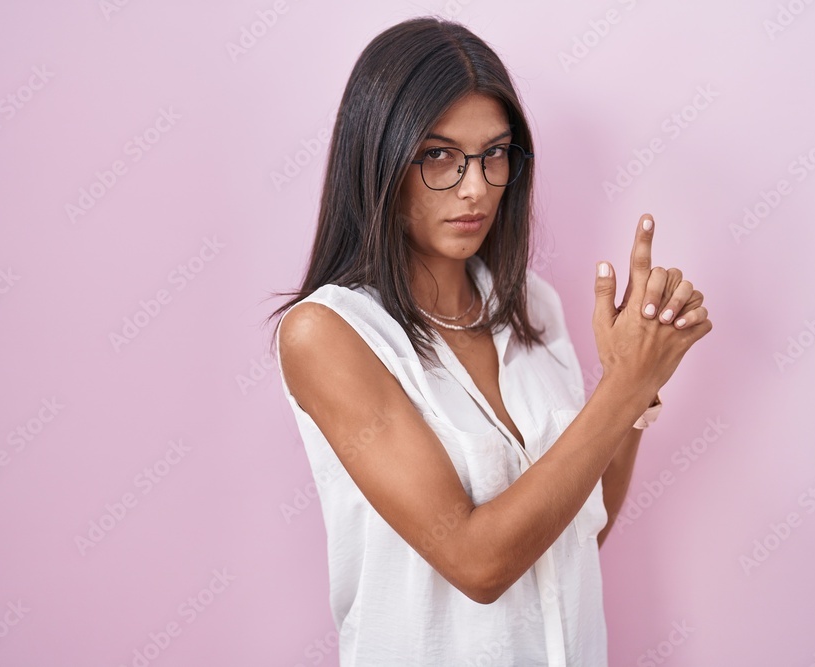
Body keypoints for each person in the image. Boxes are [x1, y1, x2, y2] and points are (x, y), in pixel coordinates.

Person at [264, 16, 712, 667]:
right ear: (379, 160)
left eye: (494, 153)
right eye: (438, 155)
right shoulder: (329, 335)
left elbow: (581, 529)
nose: (476, 187)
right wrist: (622, 387)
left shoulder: (534, 306)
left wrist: (634, 390)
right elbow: (476, 561)